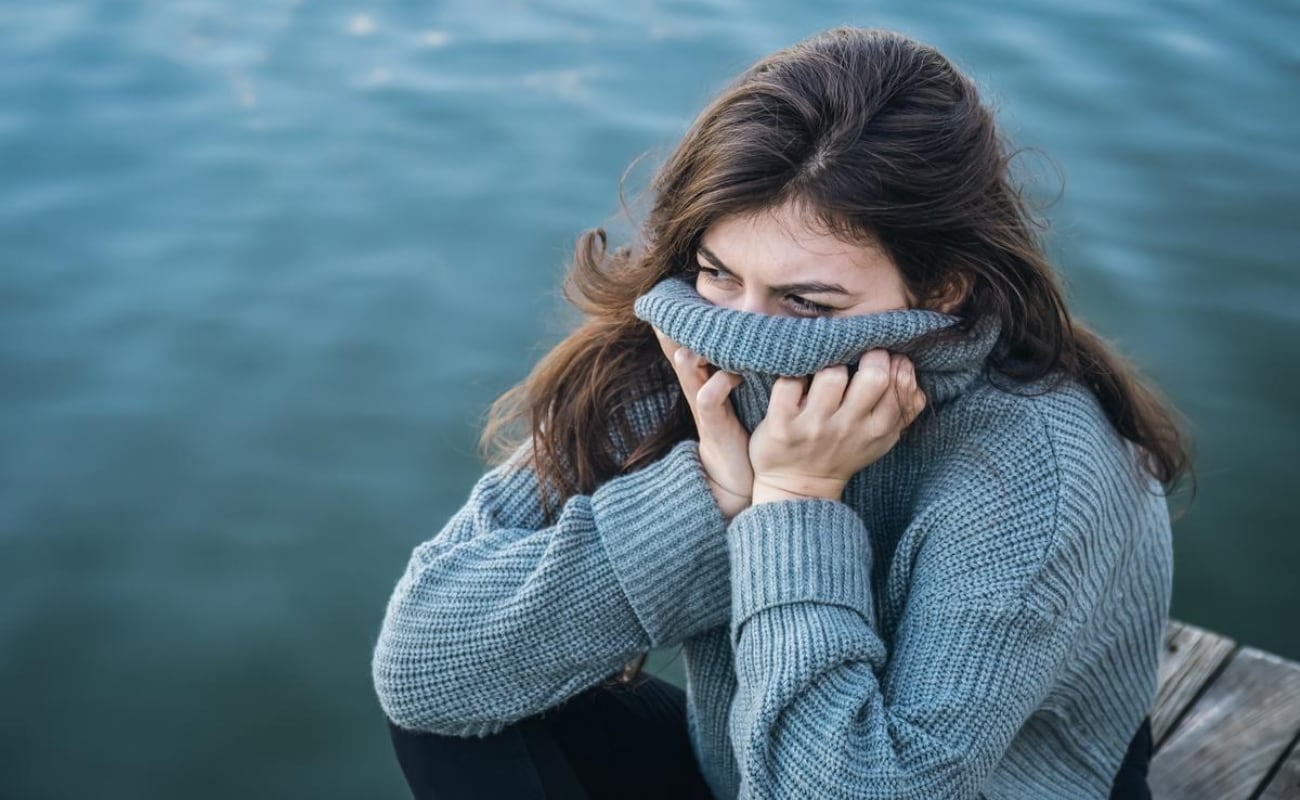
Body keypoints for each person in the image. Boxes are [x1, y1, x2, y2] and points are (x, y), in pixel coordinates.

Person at [371, 25, 1189, 800]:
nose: (743, 337)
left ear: (942, 289)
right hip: (742, 764)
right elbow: (420, 666)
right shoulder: (686, 351)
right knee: (458, 719)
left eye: (806, 300)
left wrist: (795, 502)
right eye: (718, 273)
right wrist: (710, 502)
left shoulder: (1037, 469)